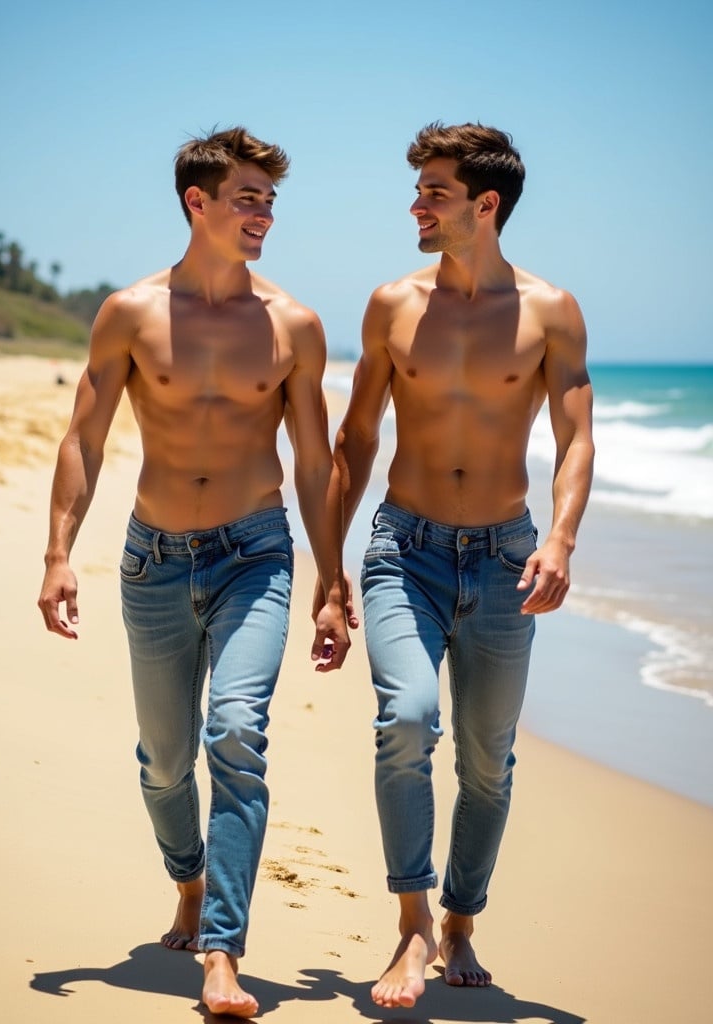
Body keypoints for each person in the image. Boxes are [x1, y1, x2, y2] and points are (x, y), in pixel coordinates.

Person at [38, 126, 350, 1019]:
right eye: (248, 197)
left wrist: (329, 582)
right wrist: (58, 553)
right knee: (166, 763)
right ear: (197, 202)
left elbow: (317, 463)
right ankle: (186, 879)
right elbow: (84, 439)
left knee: (236, 736)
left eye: (270, 201)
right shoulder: (130, 313)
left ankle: (223, 950)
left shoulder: (293, 324)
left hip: (258, 553)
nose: (264, 214)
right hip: (155, 561)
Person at [333, 122, 594, 1008]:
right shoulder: (392, 304)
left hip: (504, 559)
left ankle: (460, 921)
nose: (417, 204)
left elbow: (575, 438)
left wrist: (559, 540)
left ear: (485, 205)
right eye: (418, 189)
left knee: (488, 758)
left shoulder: (550, 310)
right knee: (405, 720)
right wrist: (332, 570)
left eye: (434, 191)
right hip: (403, 547)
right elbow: (357, 435)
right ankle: (410, 927)